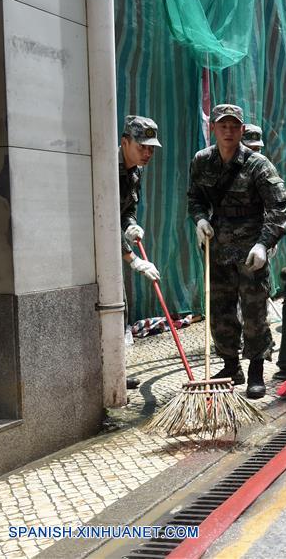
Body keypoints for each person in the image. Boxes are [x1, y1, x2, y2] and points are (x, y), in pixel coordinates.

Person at [187, 104, 286, 399]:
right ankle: (231, 365)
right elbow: (194, 197)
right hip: (217, 248)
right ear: (214, 129)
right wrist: (200, 219)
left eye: (234, 126)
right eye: (223, 126)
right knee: (219, 310)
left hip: (250, 252)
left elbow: (278, 207)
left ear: (242, 130)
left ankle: (256, 370)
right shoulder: (202, 161)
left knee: (255, 311)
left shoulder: (258, 164)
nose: (228, 131)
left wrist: (264, 243)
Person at [119, 115, 162, 390]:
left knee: (119, 311)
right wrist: (132, 259)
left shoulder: (136, 170)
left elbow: (126, 211)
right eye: (141, 146)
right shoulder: (105, 167)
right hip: (89, 250)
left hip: (112, 247)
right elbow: (101, 220)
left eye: (151, 148)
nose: (147, 153)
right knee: (111, 311)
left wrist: (131, 226)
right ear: (125, 142)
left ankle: (116, 375)